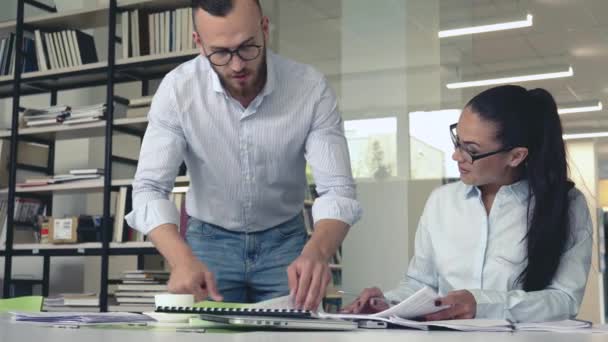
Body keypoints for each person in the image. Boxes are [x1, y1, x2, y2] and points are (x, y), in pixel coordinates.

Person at [125, 0, 361, 310]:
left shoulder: (310, 89)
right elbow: (149, 189)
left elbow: (337, 190)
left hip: (286, 244)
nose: (237, 66)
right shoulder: (177, 90)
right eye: (220, 53)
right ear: (199, 44)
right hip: (207, 244)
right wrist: (180, 259)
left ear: (264, 29)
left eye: (247, 47)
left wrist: (317, 252)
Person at [342, 85, 592, 322]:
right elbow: (421, 285)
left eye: (470, 149)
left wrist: (480, 305)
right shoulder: (441, 202)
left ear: (516, 156)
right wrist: (386, 303)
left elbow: (564, 300)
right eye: (457, 140)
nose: (456, 155)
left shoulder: (566, 205)